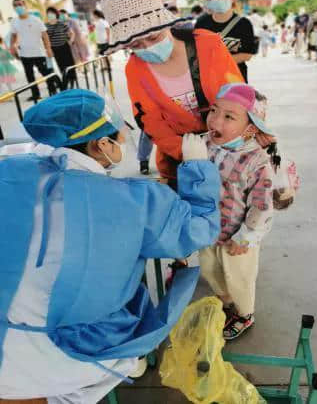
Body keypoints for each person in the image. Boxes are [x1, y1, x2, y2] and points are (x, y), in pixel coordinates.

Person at [0, 88, 221, 402]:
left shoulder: (8, 171)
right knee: (116, 358)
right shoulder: (135, 201)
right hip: (65, 359)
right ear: (100, 144)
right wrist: (198, 170)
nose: (122, 143)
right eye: (119, 137)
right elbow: (200, 229)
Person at [100, 0, 248, 184]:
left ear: (165, 24)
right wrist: (185, 151)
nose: (147, 47)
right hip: (179, 163)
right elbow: (149, 120)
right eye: (135, 45)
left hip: (231, 150)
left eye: (153, 36)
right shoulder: (135, 69)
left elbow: (237, 94)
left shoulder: (208, 44)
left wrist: (240, 136)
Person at [199, 83, 274, 340]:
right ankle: (225, 299)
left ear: (251, 128)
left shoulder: (257, 161)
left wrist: (246, 237)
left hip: (238, 237)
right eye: (214, 110)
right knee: (210, 268)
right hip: (208, 228)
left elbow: (262, 205)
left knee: (239, 276)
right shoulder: (206, 144)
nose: (215, 120)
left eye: (229, 117)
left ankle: (244, 313)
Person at [195, 0, 256, 82]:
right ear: (209, 0)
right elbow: (196, 50)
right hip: (208, 81)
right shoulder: (202, 23)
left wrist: (219, 61)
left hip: (235, 80)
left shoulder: (244, 24)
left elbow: (247, 54)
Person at [10, 0, 56, 101]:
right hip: (24, 54)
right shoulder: (14, 21)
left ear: (25, 5)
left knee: (46, 73)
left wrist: (48, 48)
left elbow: (45, 35)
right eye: (15, 5)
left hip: (38, 52)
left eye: (19, 4)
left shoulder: (35, 19)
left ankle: (52, 91)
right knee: (29, 76)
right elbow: (13, 35)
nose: (18, 7)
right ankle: (36, 94)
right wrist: (12, 47)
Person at [45, 6, 77, 88]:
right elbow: (45, 38)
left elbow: (71, 33)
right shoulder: (46, 26)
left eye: (52, 13)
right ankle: (65, 82)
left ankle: (72, 81)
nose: (50, 15)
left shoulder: (61, 23)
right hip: (55, 48)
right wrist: (48, 49)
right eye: (48, 13)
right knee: (61, 66)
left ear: (56, 14)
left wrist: (70, 41)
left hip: (64, 46)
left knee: (69, 64)